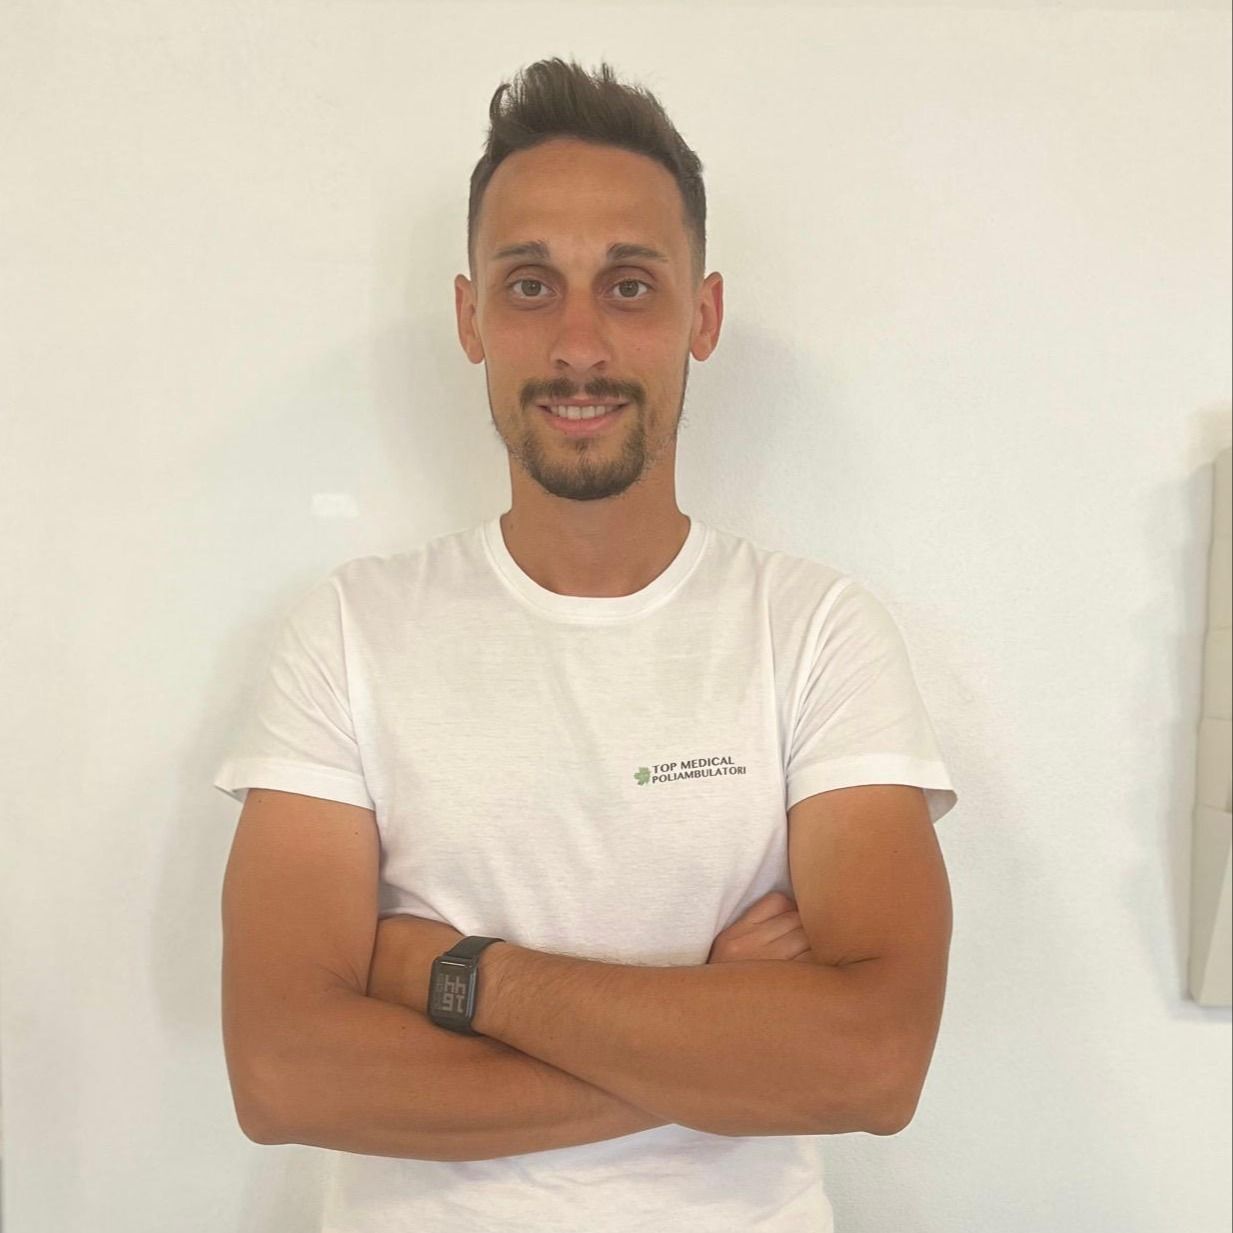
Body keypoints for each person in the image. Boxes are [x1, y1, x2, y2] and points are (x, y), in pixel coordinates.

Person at [214, 56, 958, 1232]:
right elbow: (284, 1076)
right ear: (470, 317)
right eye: (529, 285)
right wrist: (713, 1034)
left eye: (628, 286)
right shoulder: (348, 632)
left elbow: (871, 1063)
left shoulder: (817, 633)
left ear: (702, 316)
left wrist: (452, 975)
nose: (577, 343)